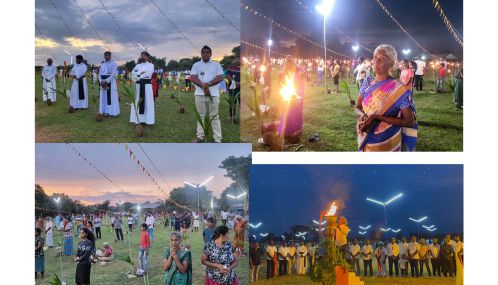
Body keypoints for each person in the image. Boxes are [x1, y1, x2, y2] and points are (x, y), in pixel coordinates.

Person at [356, 44, 417, 152]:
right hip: (366, 135)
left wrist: (377, 117)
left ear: (392, 63)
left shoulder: (398, 90)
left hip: (388, 141)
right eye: (375, 57)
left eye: (382, 58)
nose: (376, 61)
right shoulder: (367, 82)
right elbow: (358, 106)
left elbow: (408, 121)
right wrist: (363, 118)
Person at [190, 45, 224, 143]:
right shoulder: (196, 64)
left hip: (214, 94)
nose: (205, 53)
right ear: (201, 53)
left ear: (211, 54)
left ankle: (217, 139)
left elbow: (220, 77)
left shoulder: (216, 64)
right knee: (201, 115)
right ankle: (200, 136)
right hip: (199, 93)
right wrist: (203, 87)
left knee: (215, 116)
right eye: (203, 52)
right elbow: (193, 77)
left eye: (207, 52)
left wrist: (208, 84)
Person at [130, 51, 155, 125]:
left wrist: (139, 75)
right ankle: (138, 120)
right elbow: (133, 73)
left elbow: (148, 74)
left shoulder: (151, 65)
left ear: (147, 57)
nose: (142, 57)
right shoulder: (138, 65)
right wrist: (140, 74)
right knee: (138, 101)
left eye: (144, 56)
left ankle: (148, 120)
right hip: (138, 86)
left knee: (147, 102)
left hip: (146, 86)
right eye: (142, 56)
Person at [99, 51, 120, 116]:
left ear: (110, 56)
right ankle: (104, 111)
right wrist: (101, 81)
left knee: (111, 97)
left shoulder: (114, 63)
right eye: (105, 55)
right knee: (104, 97)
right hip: (102, 82)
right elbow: (99, 74)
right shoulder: (102, 64)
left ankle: (112, 112)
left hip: (110, 82)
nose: (106, 57)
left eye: (107, 55)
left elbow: (113, 74)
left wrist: (106, 81)